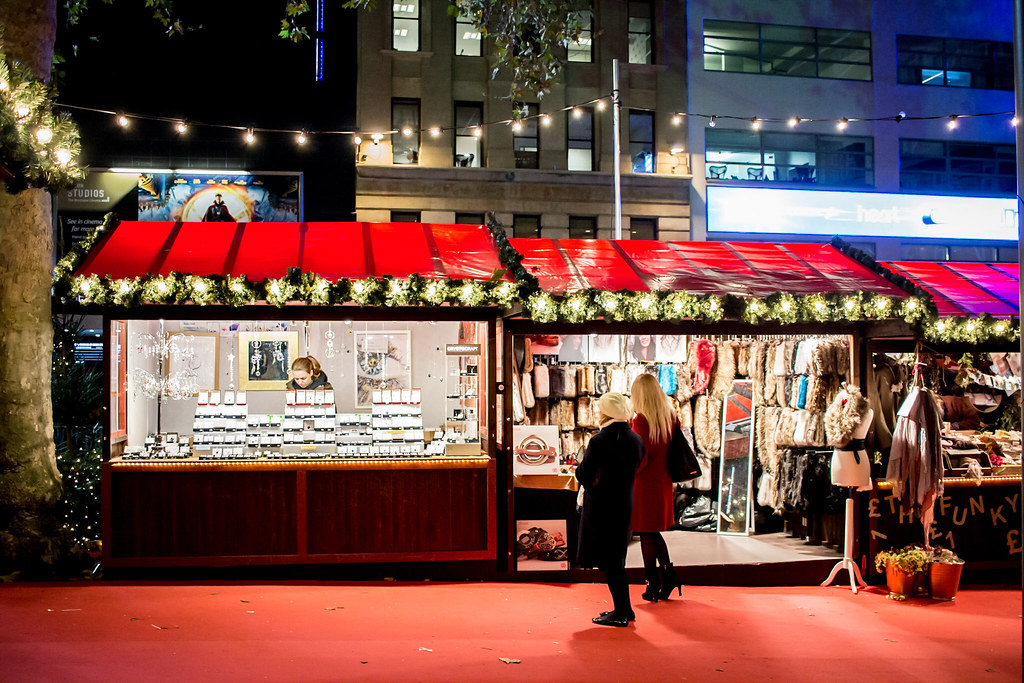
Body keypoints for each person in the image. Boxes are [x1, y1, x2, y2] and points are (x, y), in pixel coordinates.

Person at [575, 392, 643, 627]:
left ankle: (621, 612)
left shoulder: (600, 441)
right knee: (616, 558)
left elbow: (585, 474)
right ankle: (624, 609)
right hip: (623, 503)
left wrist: (579, 467)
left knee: (611, 562)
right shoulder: (636, 440)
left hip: (602, 505)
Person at [629, 372, 683, 602]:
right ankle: (666, 577)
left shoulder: (641, 420)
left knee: (646, 533)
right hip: (662, 481)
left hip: (644, 483)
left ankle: (654, 581)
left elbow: (640, 458)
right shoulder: (669, 417)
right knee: (651, 531)